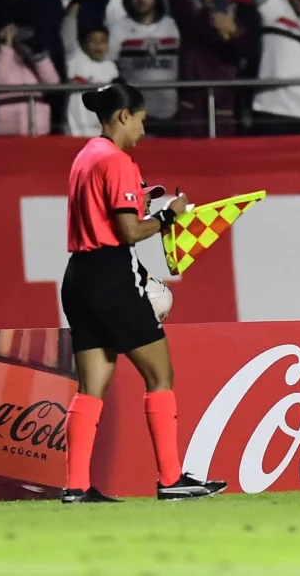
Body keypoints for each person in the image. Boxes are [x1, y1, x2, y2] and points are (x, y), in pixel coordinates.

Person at [60, 83, 226, 504]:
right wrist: (168, 215)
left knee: (89, 387)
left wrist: (146, 207)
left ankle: (75, 487)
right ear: (123, 116)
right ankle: (172, 480)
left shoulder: (85, 156)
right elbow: (128, 231)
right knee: (160, 376)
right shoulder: (118, 161)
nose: (143, 131)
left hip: (77, 277)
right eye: (141, 121)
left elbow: (106, 212)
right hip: (112, 276)